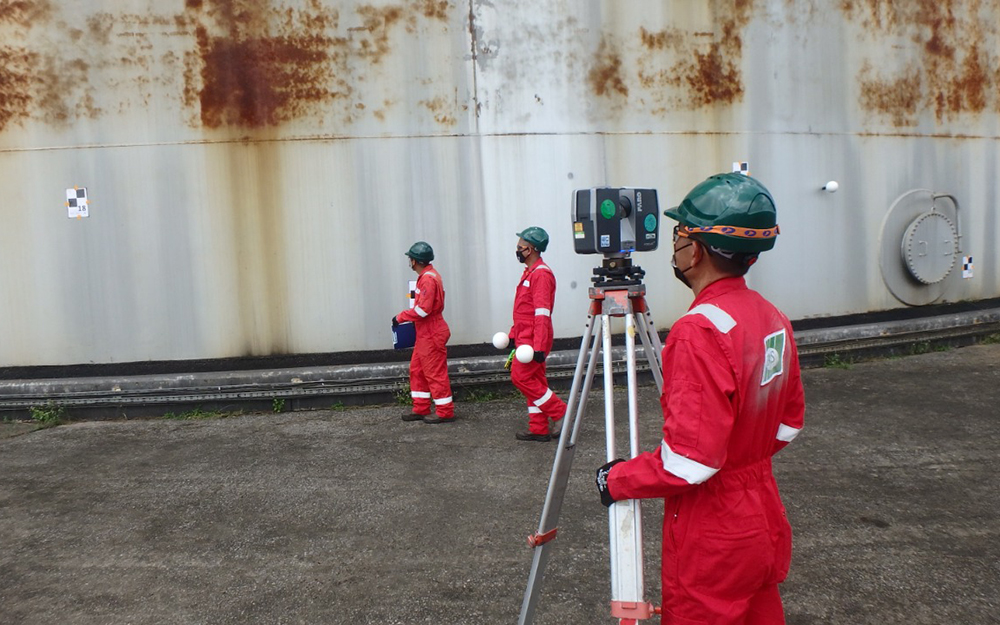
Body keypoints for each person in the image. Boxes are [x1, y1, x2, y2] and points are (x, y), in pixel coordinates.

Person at [594, 173, 805, 623]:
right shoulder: (773, 317)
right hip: (762, 514)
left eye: (680, 235)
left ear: (697, 250)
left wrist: (618, 479)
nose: (675, 245)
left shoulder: (699, 331)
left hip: (715, 534)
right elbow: (788, 424)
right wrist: (742, 457)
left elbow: (690, 463)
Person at [509, 227, 566, 442]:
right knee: (536, 381)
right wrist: (513, 334)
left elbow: (542, 313)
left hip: (534, 339)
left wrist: (539, 346)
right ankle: (539, 428)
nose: (517, 249)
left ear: (531, 249)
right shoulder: (530, 272)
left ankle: (561, 412)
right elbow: (523, 310)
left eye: (520, 246)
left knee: (520, 376)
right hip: (526, 337)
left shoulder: (541, 274)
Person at [393, 242, 454, 424]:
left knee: (435, 373)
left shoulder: (427, 279)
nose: (409, 262)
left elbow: (423, 310)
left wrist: (400, 317)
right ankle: (420, 408)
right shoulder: (428, 276)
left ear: (415, 261)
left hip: (431, 332)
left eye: (410, 259)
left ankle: (444, 411)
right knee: (417, 370)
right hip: (426, 332)